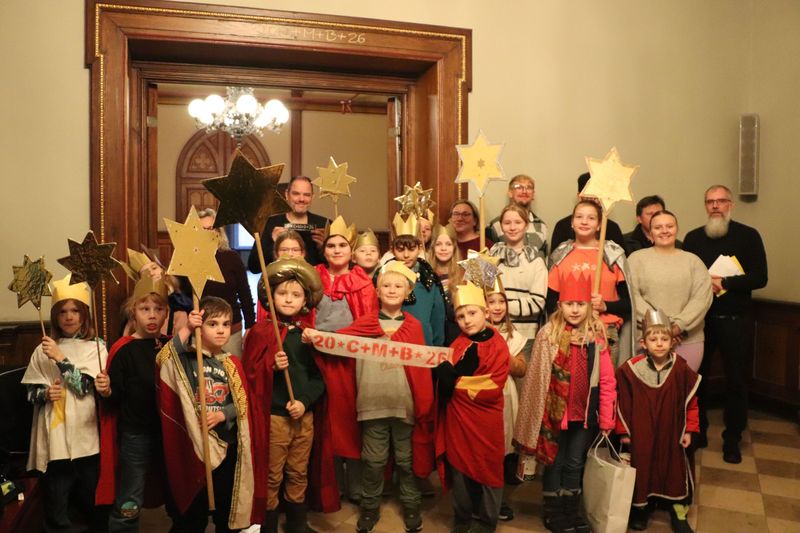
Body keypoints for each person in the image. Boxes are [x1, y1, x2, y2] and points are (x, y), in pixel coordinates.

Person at [304, 262, 434, 533]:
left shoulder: (414, 327)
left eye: (398, 286)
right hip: (372, 404)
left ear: (407, 292)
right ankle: (370, 508)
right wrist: (317, 337)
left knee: (406, 462)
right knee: (373, 462)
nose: (392, 290)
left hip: (405, 406)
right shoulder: (365, 323)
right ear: (377, 290)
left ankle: (411, 506)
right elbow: (339, 342)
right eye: (386, 285)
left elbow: (421, 370)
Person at [514, 272, 616, 533]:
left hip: (584, 415)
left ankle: (571, 510)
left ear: (589, 306)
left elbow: (607, 380)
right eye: (569, 304)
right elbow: (536, 380)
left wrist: (607, 418)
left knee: (575, 463)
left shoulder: (597, 337)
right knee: (554, 462)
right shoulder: (548, 335)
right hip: (554, 415)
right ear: (560, 305)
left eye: (581, 304)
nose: (575, 309)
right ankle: (553, 511)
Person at [157, 297, 265, 532]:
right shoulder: (186, 359)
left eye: (226, 324)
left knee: (225, 507)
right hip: (196, 447)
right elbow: (163, 358)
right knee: (194, 510)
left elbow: (243, 403)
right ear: (200, 326)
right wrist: (188, 327)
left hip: (226, 444)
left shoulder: (232, 363)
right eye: (213, 324)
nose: (221, 330)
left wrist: (223, 415)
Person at [243, 257, 335, 531]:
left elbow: (319, 379)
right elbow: (250, 376)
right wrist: (270, 366)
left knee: (298, 472)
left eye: (295, 294)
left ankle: (297, 524)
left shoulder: (308, 336)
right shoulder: (261, 332)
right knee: (272, 475)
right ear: (270, 297)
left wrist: (304, 402)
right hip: (275, 419)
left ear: (305, 300)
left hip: (303, 417)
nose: (288, 299)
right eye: (282, 293)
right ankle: (269, 526)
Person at [683, 185, 768, 463]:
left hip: (736, 321)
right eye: (710, 202)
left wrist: (725, 282)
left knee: (736, 382)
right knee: (698, 380)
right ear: (705, 206)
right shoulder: (693, 238)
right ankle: (698, 431)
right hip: (701, 322)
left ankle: (732, 438)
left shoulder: (748, 236)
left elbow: (760, 277)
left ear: (731, 204)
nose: (715, 206)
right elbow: (686, 277)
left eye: (721, 201)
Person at [22, 275, 108, 532]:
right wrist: (44, 394)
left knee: (92, 500)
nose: (69, 317)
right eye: (63, 312)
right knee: (57, 501)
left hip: (85, 436)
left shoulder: (96, 347)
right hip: (56, 440)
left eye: (75, 311)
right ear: (55, 316)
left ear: (84, 315)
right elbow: (30, 394)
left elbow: (83, 388)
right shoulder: (43, 349)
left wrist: (60, 358)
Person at [95, 281, 174, 532]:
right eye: (144, 309)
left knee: (175, 488)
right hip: (136, 434)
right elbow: (115, 397)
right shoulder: (124, 349)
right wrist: (107, 391)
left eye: (158, 309)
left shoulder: (171, 346)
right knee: (131, 493)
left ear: (166, 313)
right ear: (133, 312)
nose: (152, 315)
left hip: (168, 433)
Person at [434, 281, 509, 533]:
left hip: (485, 422)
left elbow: (492, 386)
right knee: (459, 469)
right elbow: (447, 384)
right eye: (460, 316)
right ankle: (462, 517)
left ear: (486, 312)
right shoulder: (457, 343)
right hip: (458, 420)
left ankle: (487, 521)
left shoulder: (498, 344)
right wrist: (444, 380)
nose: (466, 320)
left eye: (472, 313)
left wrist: (454, 381)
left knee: (488, 469)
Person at [314, 215, 379, 502]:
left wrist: (338, 338)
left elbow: (370, 322)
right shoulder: (312, 276)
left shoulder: (362, 281)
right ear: (324, 250)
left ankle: (355, 486)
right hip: (316, 359)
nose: (337, 250)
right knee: (322, 421)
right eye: (331, 245)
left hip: (349, 362)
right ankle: (329, 486)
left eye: (342, 245)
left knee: (348, 422)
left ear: (351, 251)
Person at [616, 309, 699, 533]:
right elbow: (621, 403)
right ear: (644, 343)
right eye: (654, 339)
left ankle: (679, 513)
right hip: (642, 432)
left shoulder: (680, 368)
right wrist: (623, 431)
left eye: (664, 339)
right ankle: (641, 510)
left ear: (673, 342)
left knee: (675, 471)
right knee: (642, 469)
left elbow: (691, 401)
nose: (660, 344)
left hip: (672, 432)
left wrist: (689, 429)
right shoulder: (630, 370)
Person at [547, 200, 634, 366]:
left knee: (604, 381)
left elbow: (628, 304)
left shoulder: (612, 255)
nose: (584, 222)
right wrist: (568, 324)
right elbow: (551, 302)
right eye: (579, 217)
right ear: (572, 222)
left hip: (605, 332)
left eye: (591, 218)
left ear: (599, 225)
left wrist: (605, 306)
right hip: (568, 332)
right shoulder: (560, 255)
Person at [628, 210, 712, 371]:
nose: (664, 231)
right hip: (648, 338)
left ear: (677, 229)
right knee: (647, 386)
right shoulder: (636, 260)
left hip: (687, 339)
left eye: (669, 226)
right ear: (650, 232)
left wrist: (678, 326)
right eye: (658, 227)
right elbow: (632, 296)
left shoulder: (693, 261)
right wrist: (661, 328)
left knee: (683, 385)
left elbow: (701, 299)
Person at [484, 277, 528, 523]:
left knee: (501, 449)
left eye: (502, 301)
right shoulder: (474, 332)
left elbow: (521, 369)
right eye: (491, 302)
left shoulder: (514, 336)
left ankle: (497, 500)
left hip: (506, 395)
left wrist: (502, 352)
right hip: (482, 396)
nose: (498, 307)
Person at [489, 204, 548, 352]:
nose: (512, 227)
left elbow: (537, 302)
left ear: (526, 226)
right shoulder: (490, 258)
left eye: (518, 222)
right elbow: (479, 297)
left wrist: (502, 307)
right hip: (494, 332)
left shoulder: (536, 261)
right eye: (507, 223)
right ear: (501, 227)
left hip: (525, 335)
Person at [198, 207, 255, 355]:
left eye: (211, 229)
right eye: (202, 230)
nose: (207, 233)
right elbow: (181, 297)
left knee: (232, 367)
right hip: (200, 329)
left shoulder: (231, 257)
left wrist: (250, 325)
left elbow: (245, 293)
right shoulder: (189, 262)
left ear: (218, 232)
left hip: (231, 327)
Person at [388, 213, 446, 346]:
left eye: (411, 249)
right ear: (392, 250)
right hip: (392, 346)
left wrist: (436, 348)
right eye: (400, 249)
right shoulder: (383, 276)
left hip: (423, 346)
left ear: (419, 248)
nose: (406, 255)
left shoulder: (429, 279)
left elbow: (438, 318)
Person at [248, 175, 330, 270]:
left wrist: (325, 248)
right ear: (287, 195)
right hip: (279, 279)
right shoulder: (270, 224)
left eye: (307, 195)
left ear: (312, 197)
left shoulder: (324, 224)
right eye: (296, 194)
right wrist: (274, 244)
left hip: (315, 279)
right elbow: (254, 267)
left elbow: (337, 268)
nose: (301, 199)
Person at [549, 172, 626, 252]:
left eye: (597, 195)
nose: (593, 199)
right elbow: (556, 257)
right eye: (589, 195)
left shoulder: (612, 228)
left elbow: (621, 257)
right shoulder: (562, 226)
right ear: (579, 196)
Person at [486, 174, 549, 259]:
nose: (524, 191)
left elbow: (545, 258)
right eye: (519, 187)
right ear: (510, 193)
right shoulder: (495, 225)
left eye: (529, 188)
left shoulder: (542, 226)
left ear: (533, 194)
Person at [427, 224, 462, 345]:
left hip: (457, 335)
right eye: (438, 244)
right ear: (433, 247)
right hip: (434, 335)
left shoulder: (463, 275)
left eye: (448, 244)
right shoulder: (426, 274)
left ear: (454, 247)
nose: (443, 248)